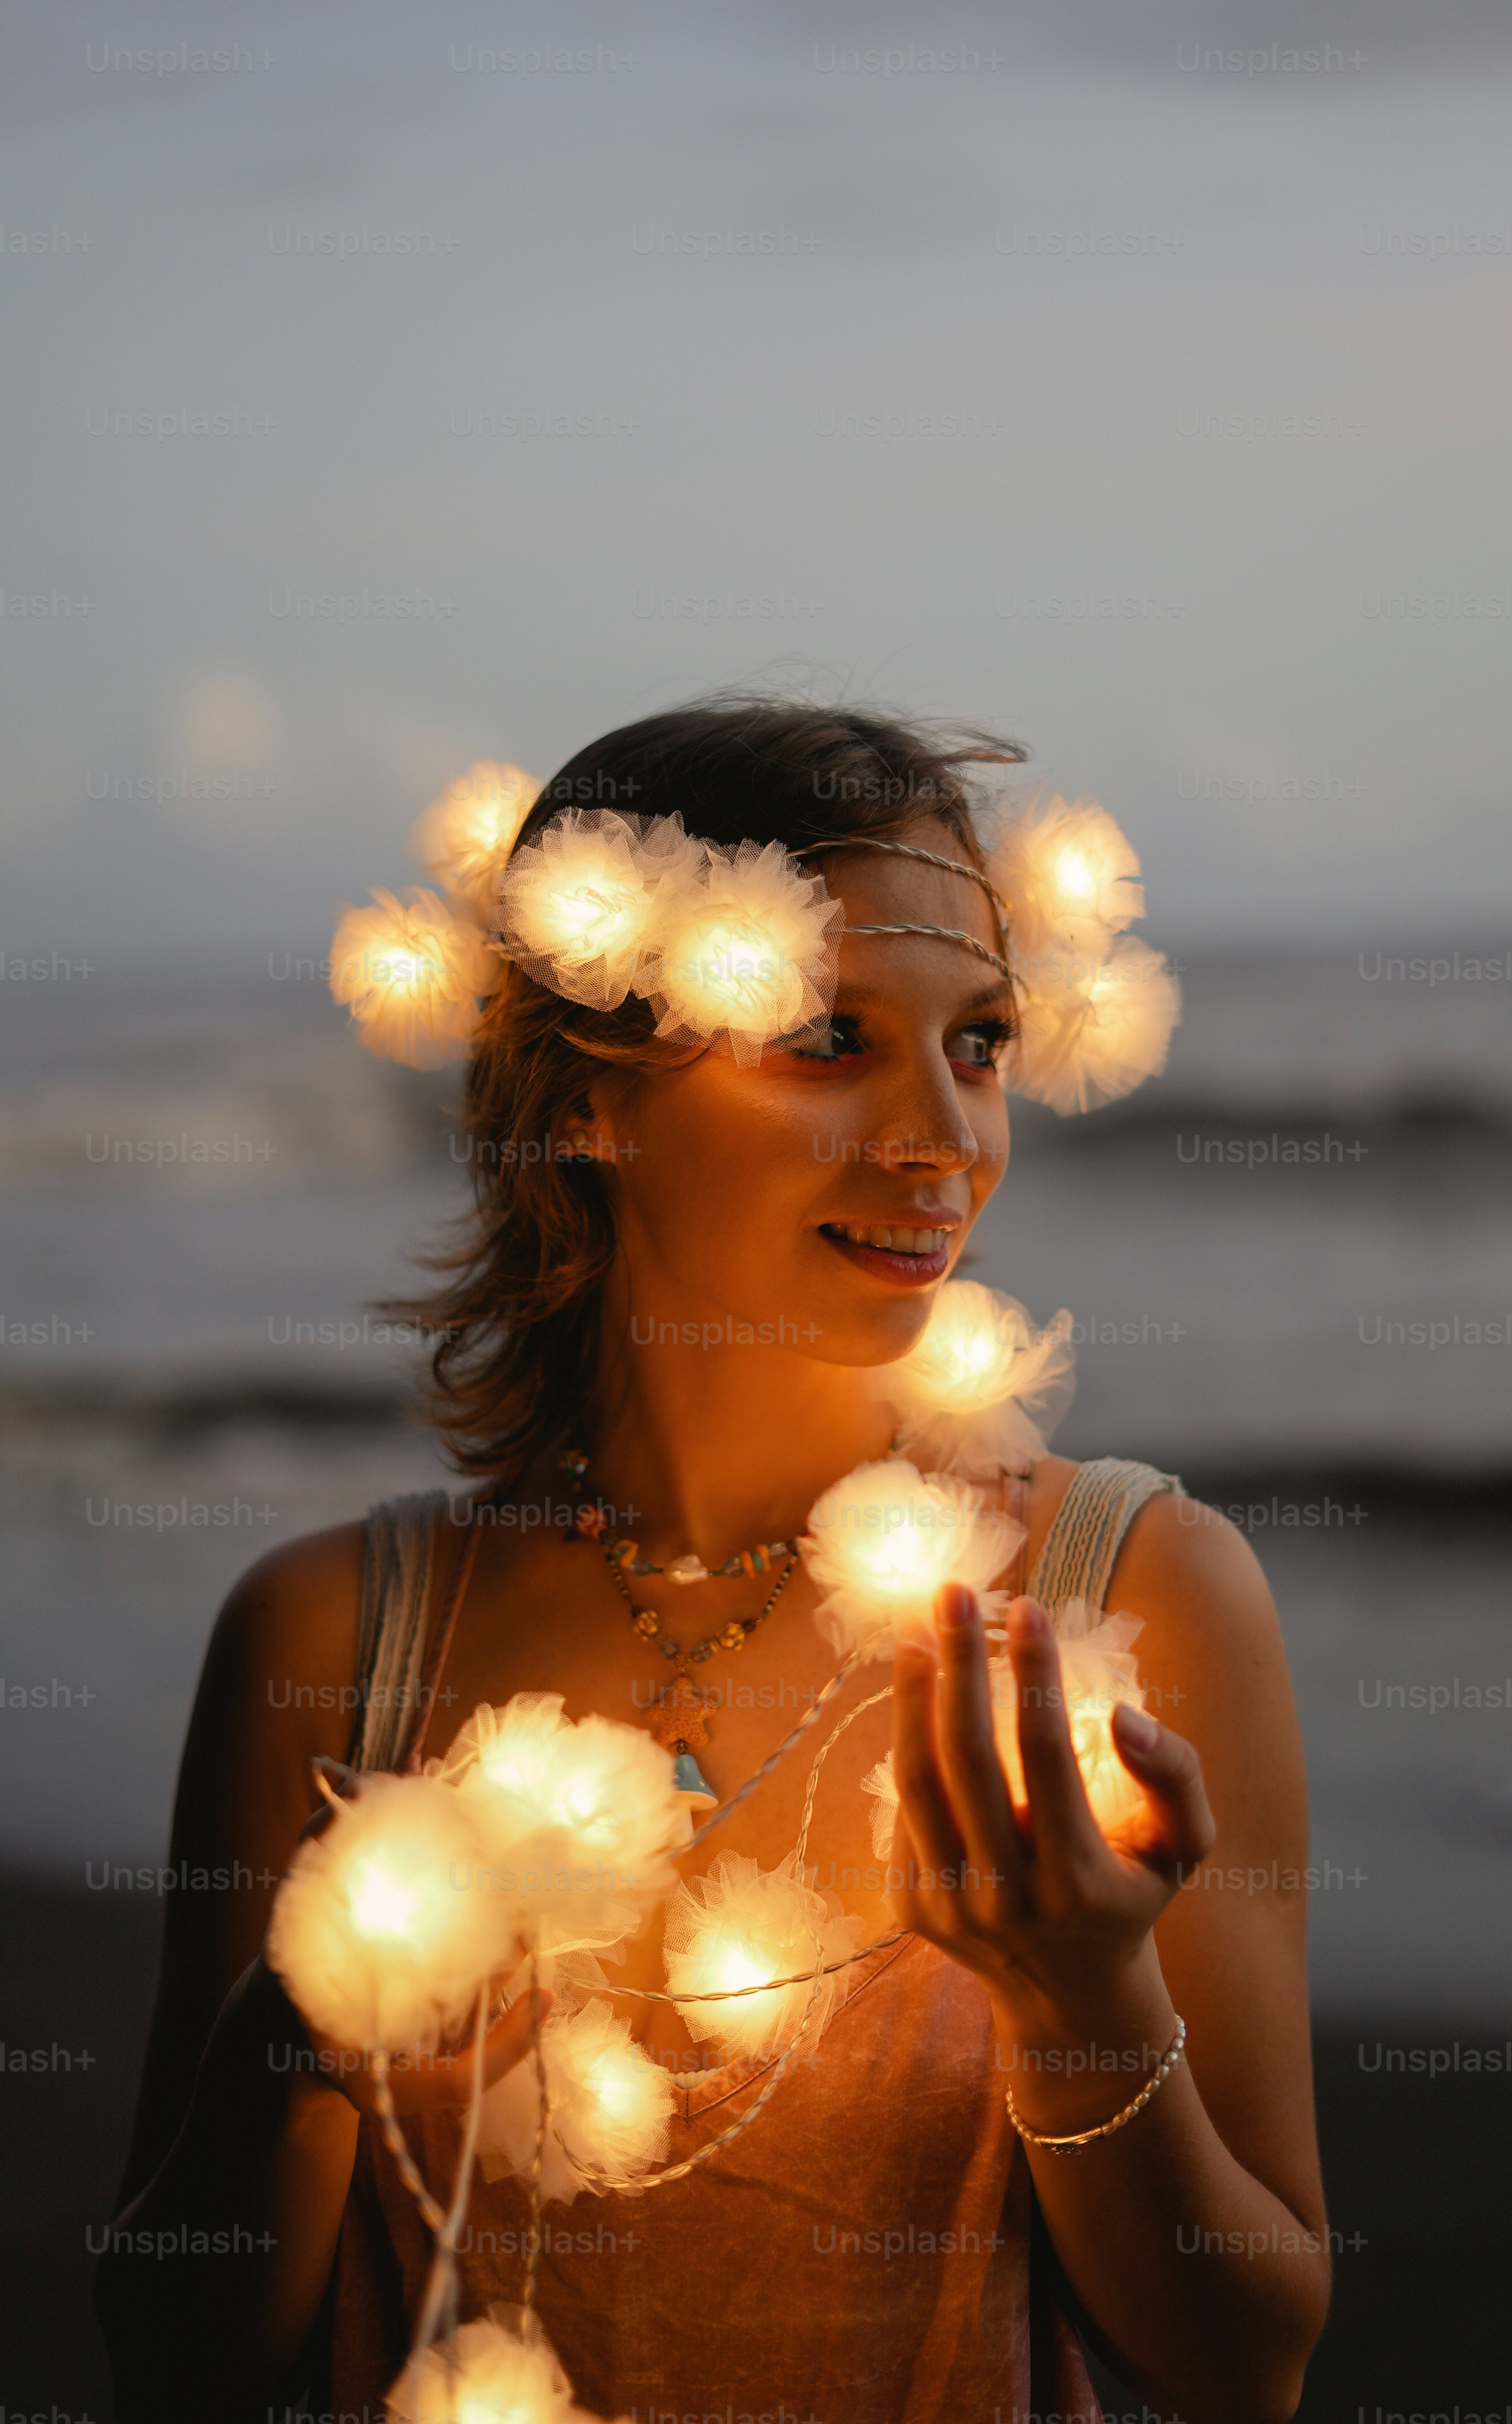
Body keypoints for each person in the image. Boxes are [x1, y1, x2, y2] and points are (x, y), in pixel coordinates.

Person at [96, 700, 1330, 2424]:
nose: (946, 1140)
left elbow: (1248, 2358)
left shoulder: (1122, 1603)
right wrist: (299, 2048)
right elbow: (174, 2357)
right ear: (589, 1101)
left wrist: (1082, 1990)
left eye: (979, 1044)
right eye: (831, 1037)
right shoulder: (340, 1637)